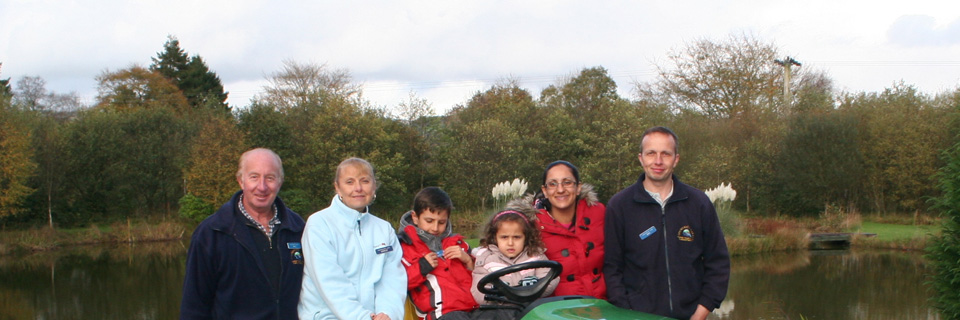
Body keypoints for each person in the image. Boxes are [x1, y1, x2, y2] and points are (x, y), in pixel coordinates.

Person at [604, 126, 730, 320]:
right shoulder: (619, 206)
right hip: (638, 316)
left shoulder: (699, 203)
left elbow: (718, 263)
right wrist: (628, 313)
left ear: (676, 159)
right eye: (651, 153)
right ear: (641, 158)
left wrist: (701, 312)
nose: (658, 161)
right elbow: (612, 269)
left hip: (692, 316)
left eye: (666, 154)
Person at [180, 148, 305, 319]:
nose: (262, 187)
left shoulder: (299, 229)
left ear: (280, 182)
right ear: (241, 181)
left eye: (270, 178)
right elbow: (193, 307)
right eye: (254, 177)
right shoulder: (211, 234)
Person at [298, 158, 406, 320]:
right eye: (349, 182)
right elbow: (330, 283)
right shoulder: (320, 224)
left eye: (365, 181)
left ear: (374, 185)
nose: (358, 188)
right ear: (338, 188)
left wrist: (388, 313)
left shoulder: (384, 229)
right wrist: (363, 317)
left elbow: (392, 279)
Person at [397, 187, 478, 320]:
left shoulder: (459, 244)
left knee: (507, 312)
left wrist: (469, 261)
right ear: (415, 217)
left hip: (475, 308)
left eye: (441, 222)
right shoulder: (404, 248)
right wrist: (421, 268)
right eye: (429, 221)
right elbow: (396, 283)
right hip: (442, 314)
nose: (435, 228)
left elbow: (483, 276)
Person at [531, 160, 607, 299]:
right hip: (558, 310)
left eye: (567, 182)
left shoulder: (599, 213)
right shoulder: (530, 226)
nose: (560, 189)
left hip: (603, 305)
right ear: (545, 191)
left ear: (578, 187)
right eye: (553, 184)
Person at [471, 204, 558, 309]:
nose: (510, 243)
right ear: (495, 237)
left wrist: (526, 292)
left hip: (529, 308)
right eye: (504, 237)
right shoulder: (486, 259)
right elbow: (479, 291)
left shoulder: (536, 256)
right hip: (500, 309)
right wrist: (504, 295)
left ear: (526, 237)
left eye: (517, 237)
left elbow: (550, 280)